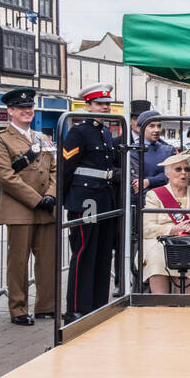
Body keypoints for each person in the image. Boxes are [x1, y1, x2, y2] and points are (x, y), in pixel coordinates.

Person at [0, 87, 58, 325]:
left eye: (29, 107)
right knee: (18, 263)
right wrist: (37, 200)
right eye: (21, 108)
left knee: (48, 260)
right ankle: (18, 309)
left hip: (47, 209)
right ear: (10, 111)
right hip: (21, 209)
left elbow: (54, 170)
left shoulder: (43, 139)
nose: (27, 111)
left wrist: (50, 194)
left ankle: (46, 306)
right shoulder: (0, 140)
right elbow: (6, 177)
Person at [62, 83, 122, 320]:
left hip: (104, 199)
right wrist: (65, 200)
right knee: (84, 253)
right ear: (87, 105)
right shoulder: (79, 132)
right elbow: (67, 167)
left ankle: (97, 303)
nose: (105, 108)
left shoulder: (106, 132)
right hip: (84, 200)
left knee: (103, 252)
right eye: (99, 104)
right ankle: (76, 308)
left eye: (107, 104)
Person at [141, 153, 190, 294]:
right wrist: (173, 229)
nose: (183, 173)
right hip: (161, 242)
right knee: (158, 257)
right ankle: (161, 306)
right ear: (168, 174)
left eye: (187, 169)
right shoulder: (155, 195)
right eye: (178, 169)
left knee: (188, 257)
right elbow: (146, 229)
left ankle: (184, 308)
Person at [131, 109, 176, 204]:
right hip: (145, 203)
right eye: (151, 126)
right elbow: (137, 184)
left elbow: (174, 176)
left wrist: (149, 181)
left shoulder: (168, 149)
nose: (156, 130)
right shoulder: (133, 151)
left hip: (168, 201)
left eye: (159, 126)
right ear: (139, 129)